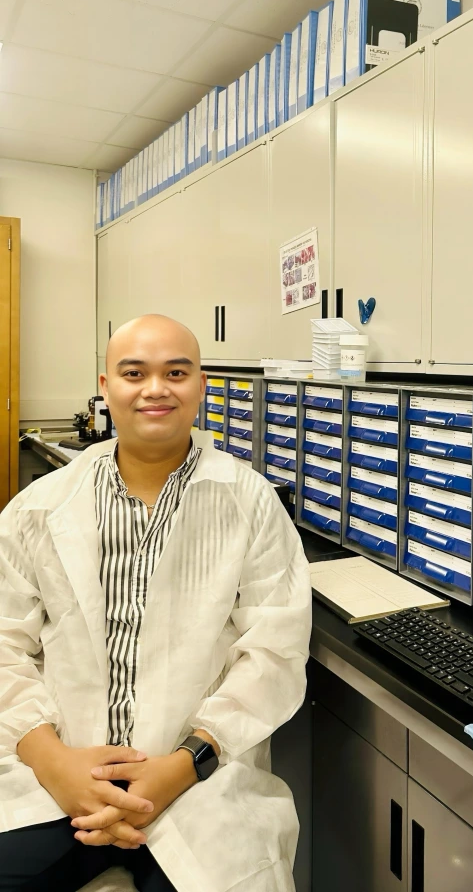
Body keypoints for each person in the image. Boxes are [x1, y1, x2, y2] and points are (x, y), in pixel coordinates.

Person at [0, 315, 312, 892]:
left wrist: (185, 762)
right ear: (105, 385)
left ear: (201, 384)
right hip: (53, 775)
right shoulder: (38, 508)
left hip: (197, 784)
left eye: (176, 372)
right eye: (133, 372)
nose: (155, 388)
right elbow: (3, 645)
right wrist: (55, 763)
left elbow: (275, 654)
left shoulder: (251, 503)